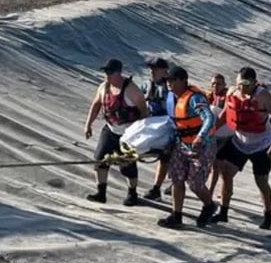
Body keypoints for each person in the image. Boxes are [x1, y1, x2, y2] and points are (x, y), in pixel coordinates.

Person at [210, 67, 271, 229]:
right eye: (239, 83)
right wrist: (210, 132)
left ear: (254, 82)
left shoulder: (263, 97)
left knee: (261, 181)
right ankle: (223, 212)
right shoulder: (233, 92)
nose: (242, 87)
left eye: (245, 84)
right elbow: (225, 115)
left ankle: (267, 215)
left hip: (261, 145)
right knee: (226, 172)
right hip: (239, 141)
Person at [83, 58, 149, 206]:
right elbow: (96, 104)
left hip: (128, 133)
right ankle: (101, 193)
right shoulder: (103, 87)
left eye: (110, 72)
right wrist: (88, 124)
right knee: (100, 159)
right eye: (105, 72)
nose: (107, 75)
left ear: (119, 73)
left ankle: (132, 193)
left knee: (127, 165)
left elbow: (144, 112)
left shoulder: (132, 90)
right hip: (111, 129)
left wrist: (140, 135)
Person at [158, 65, 218, 229]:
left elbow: (209, 118)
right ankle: (176, 215)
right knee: (176, 178)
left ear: (183, 80)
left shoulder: (195, 98)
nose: (169, 84)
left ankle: (209, 205)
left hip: (202, 145)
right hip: (181, 144)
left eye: (173, 80)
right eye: (167, 81)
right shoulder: (172, 97)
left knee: (195, 183)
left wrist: (200, 137)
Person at [141, 56, 174, 201]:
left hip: (170, 126)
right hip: (153, 125)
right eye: (151, 69)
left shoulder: (171, 87)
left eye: (156, 69)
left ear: (164, 71)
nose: (152, 72)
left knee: (166, 158)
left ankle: (157, 187)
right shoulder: (146, 85)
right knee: (163, 157)